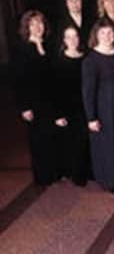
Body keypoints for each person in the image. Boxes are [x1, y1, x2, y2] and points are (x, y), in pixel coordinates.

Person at [82, 17, 114, 192]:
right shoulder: (91, 60)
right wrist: (91, 117)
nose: (107, 36)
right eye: (102, 33)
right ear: (96, 35)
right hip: (104, 109)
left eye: (110, 32)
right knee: (107, 145)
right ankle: (109, 182)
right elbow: (88, 91)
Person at [14, 11, 57, 185]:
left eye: (40, 23)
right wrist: (24, 107)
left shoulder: (50, 45)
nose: (37, 27)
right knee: (37, 139)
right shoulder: (21, 49)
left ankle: (54, 171)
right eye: (32, 24)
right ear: (27, 27)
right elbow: (18, 80)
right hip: (33, 102)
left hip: (50, 100)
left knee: (51, 136)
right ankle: (42, 175)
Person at [52, 26, 89, 185]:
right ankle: (76, 175)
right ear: (64, 40)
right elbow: (54, 90)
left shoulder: (86, 57)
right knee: (73, 143)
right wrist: (58, 115)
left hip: (85, 105)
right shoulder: (58, 61)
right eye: (69, 37)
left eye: (75, 36)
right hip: (68, 108)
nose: (72, 40)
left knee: (86, 140)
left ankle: (87, 172)